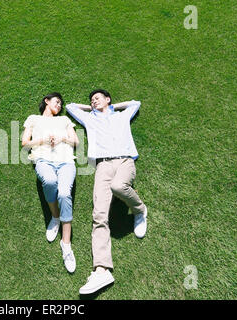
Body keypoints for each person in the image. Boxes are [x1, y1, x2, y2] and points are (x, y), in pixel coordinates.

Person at [66, 89, 148, 294]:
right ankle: (101, 270)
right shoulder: (88, 119)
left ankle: (139, 210)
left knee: (119, 186)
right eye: (91, 99)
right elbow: (70, 107)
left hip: (124, 160)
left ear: (108, 99)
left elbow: (135, 102)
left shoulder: (122, 116)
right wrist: (92, 108)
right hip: (103, 166)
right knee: (99, 215)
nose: (93, 101)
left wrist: (111, 106)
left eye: (98, 98)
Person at [22, 92, 80, 273]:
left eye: (61, 104)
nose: (60, 105)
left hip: (66, 162)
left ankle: (66, 245)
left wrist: (62, 138)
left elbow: (76, 141)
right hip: (43, 160)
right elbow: (25, 143)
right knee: (49, 181)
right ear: (46, 101)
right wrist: (43, 140)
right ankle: (55, 217)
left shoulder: (63, 120)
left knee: (64, 193)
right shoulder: (33, 118)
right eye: (57, 101)